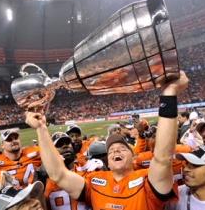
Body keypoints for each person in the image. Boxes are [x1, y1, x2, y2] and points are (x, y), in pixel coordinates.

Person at [25, 71, 189, 209]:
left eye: (123, 148)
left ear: (134, 158)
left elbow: (163, 158)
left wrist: (169, 94)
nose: (115, 150)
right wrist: (41, 128)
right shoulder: (95, 182)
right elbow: (58, 174)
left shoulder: (147, 181)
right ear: (108, 163)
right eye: (110, 150)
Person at [42, 132, 102, 210]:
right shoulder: (43, 178)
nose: (65, 146)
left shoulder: (88, 167)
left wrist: (102, 165)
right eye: (59, 144)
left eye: (67, 143)